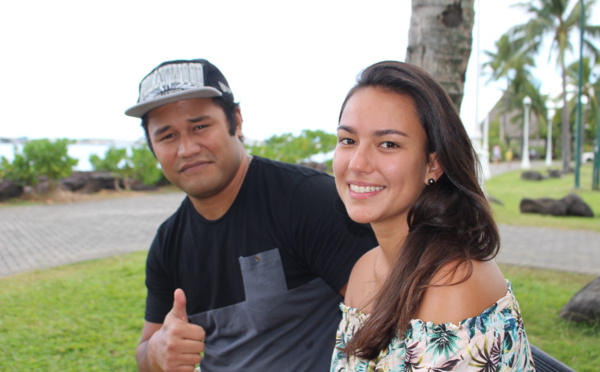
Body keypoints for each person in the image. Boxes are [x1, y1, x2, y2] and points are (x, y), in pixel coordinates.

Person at [124, 58, 377, 371]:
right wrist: (157, 352)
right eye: (167, 136)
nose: (187, 149)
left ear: (237, 121)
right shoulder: (168, 242)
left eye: (200, 126)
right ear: (151, 145)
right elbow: (145, 349)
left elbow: (391, 316)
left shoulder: (307, 201)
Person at [330, 61, 535, 371]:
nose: (357, 163)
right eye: (348, 140)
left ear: (433, 165)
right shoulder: (364, 270)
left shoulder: (453, 286)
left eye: (388, 144)